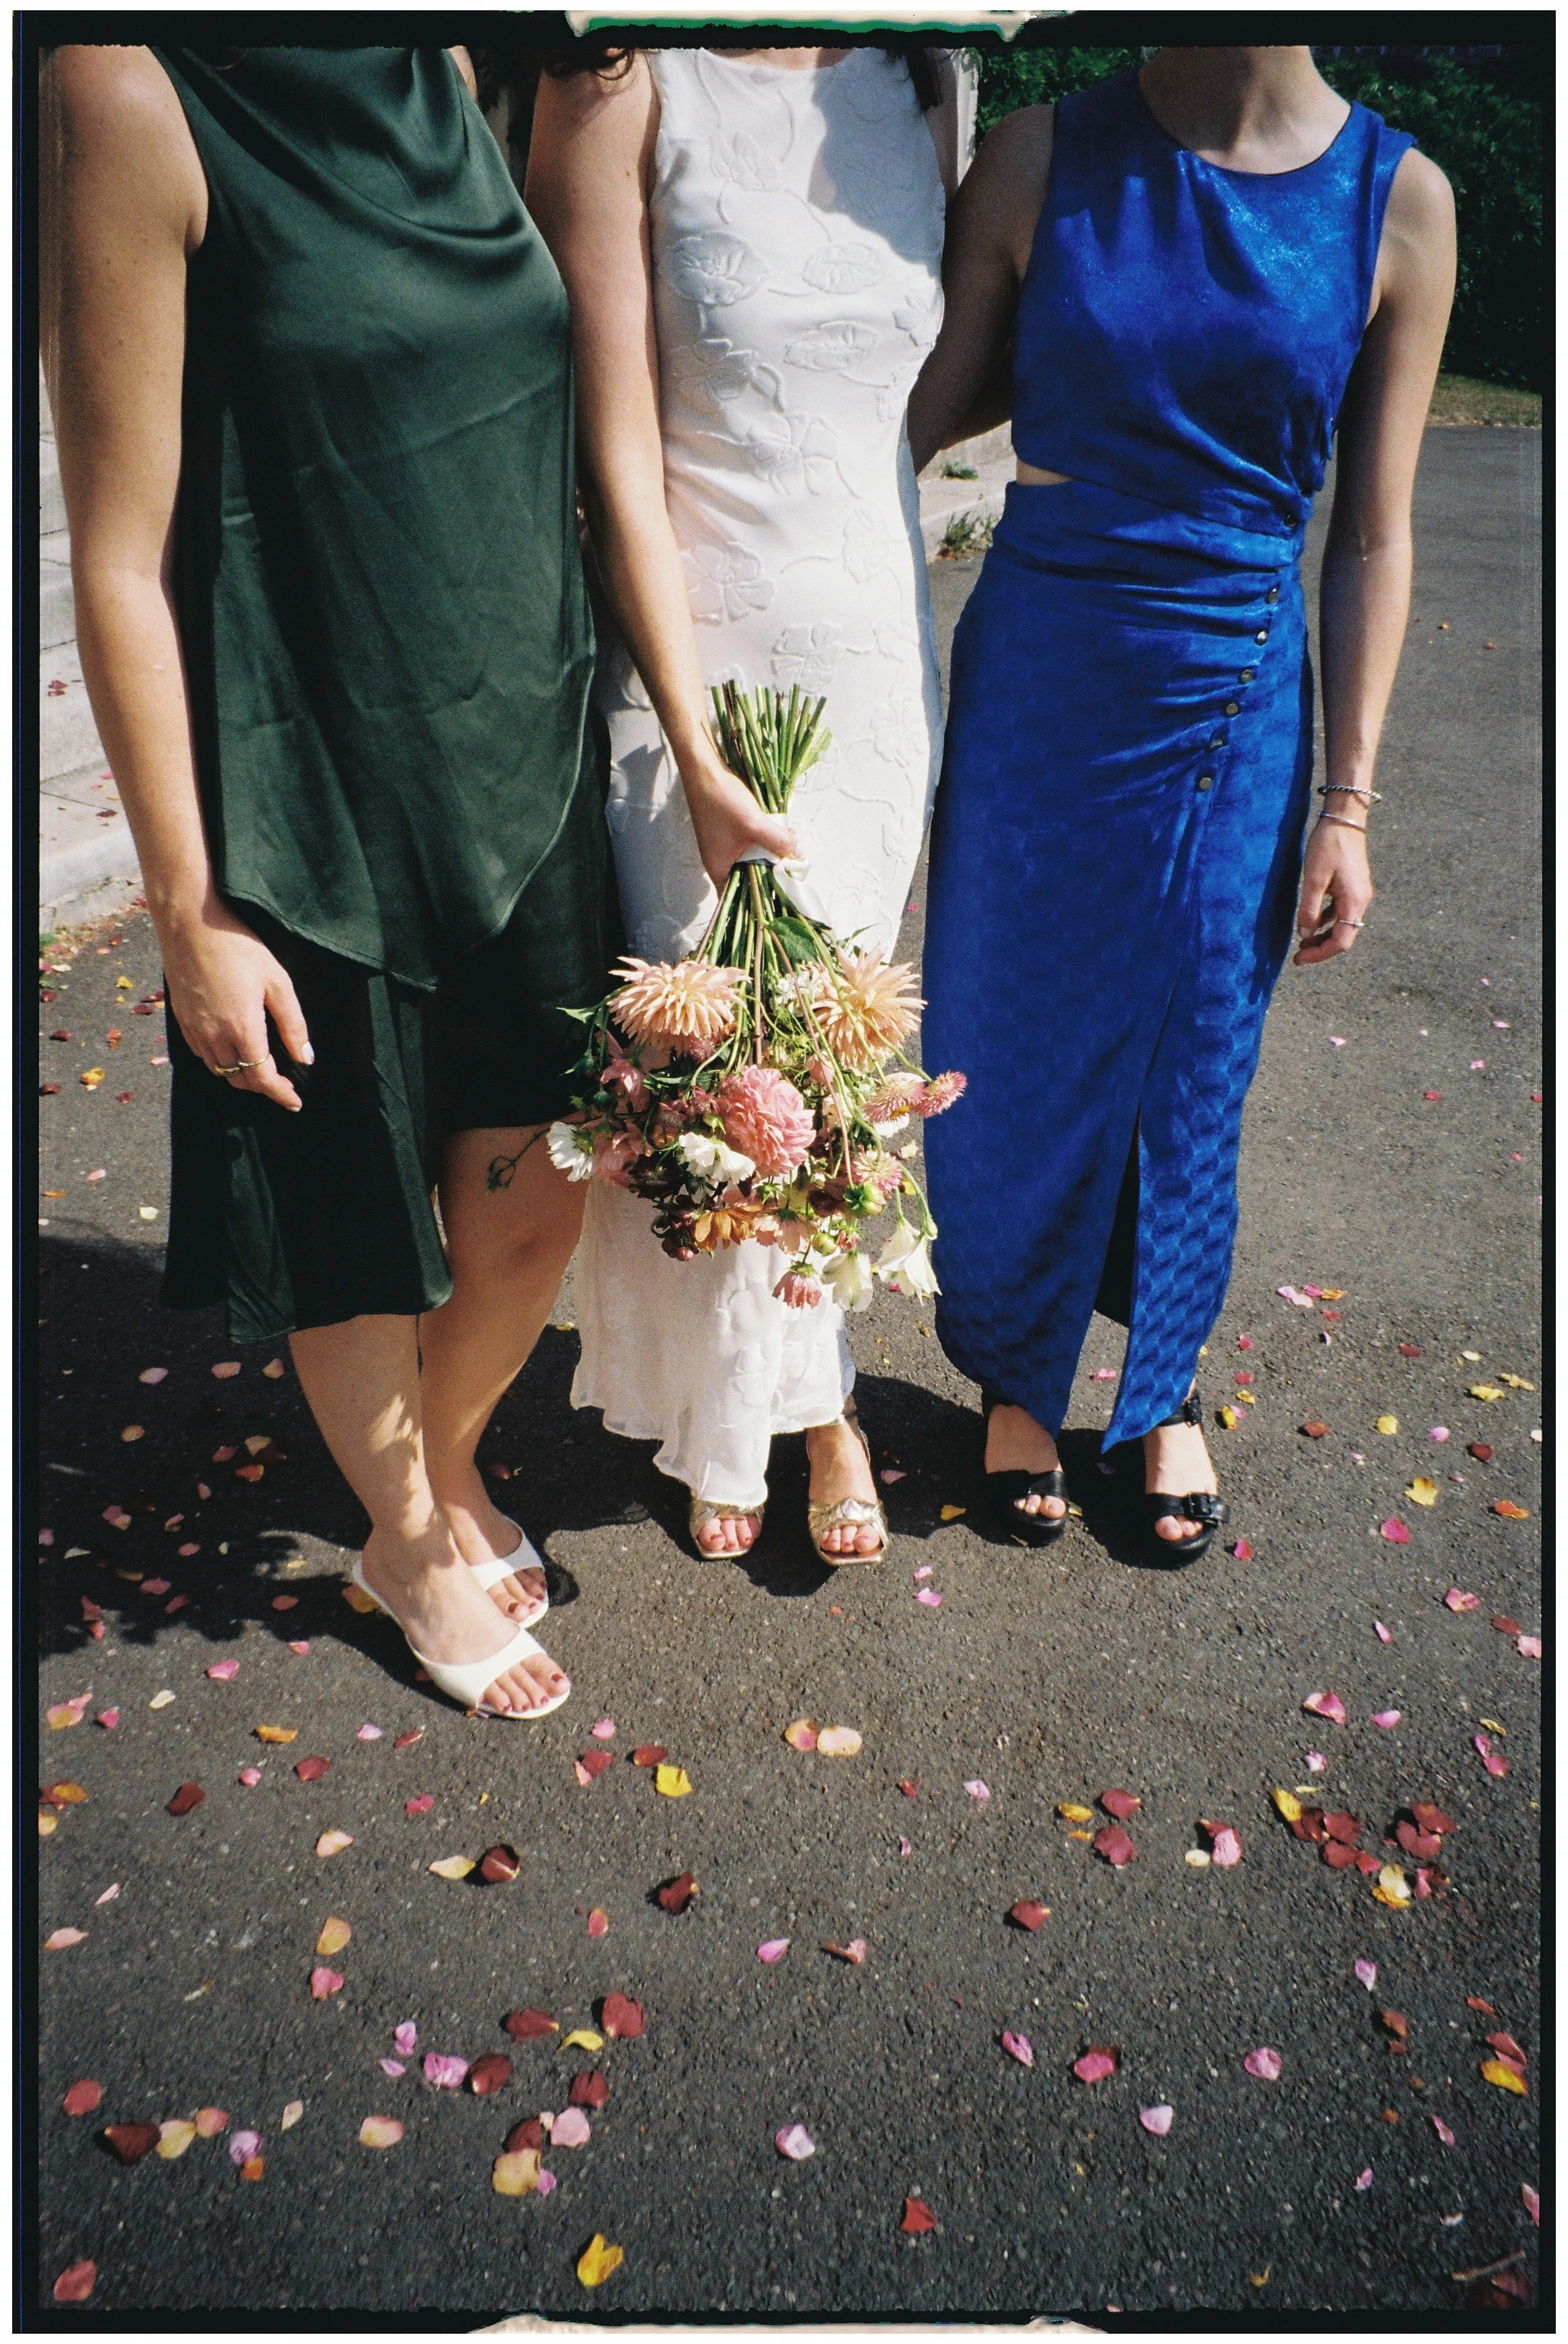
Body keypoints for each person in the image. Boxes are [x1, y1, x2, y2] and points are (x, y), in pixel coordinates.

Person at [39, 42, 623, 1712]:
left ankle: (433, 1466)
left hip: (524, 757)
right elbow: (118, 557)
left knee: (539, 1188)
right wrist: (187, 909)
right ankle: (411, 1538)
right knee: (352, 1222)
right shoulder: (131, 87)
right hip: (304, 790)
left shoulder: (457, 57)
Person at [907, 46, 1454, 1557]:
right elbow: (909, 412)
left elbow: (1372, 535)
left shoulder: (1398, 199)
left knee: (1197, 1053)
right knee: (1007, 1036)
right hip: (1041, 677)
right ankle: (1014, 1369)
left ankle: (1162, 1384)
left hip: (1237, 685)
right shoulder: (1036, 156)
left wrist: (1348, 799)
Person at [527, 41, 966, 1564]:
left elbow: (911, 389)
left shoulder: (921, 80)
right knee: (708, 1048)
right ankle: (743, 1415)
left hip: (873, 658)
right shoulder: (616, 78)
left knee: (836, 1047)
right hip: (695, 659)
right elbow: (610, 448)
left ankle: (817, 1397)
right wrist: (696, 742)